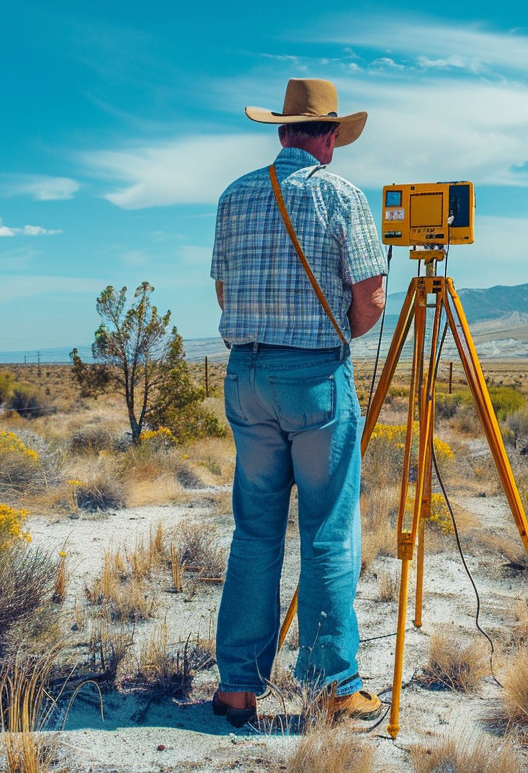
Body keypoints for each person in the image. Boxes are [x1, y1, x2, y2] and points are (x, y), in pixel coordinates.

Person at [209, 78, 387, 727]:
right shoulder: (342, 196)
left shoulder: (235, 196)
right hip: (313, 380)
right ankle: (334, 685)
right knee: (328, 532)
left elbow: (225, 294)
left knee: (254, 532)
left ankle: (236, 687)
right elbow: (369, 300)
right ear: (330, 136)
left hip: (246, 376)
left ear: (282, 130)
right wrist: (331, 333)